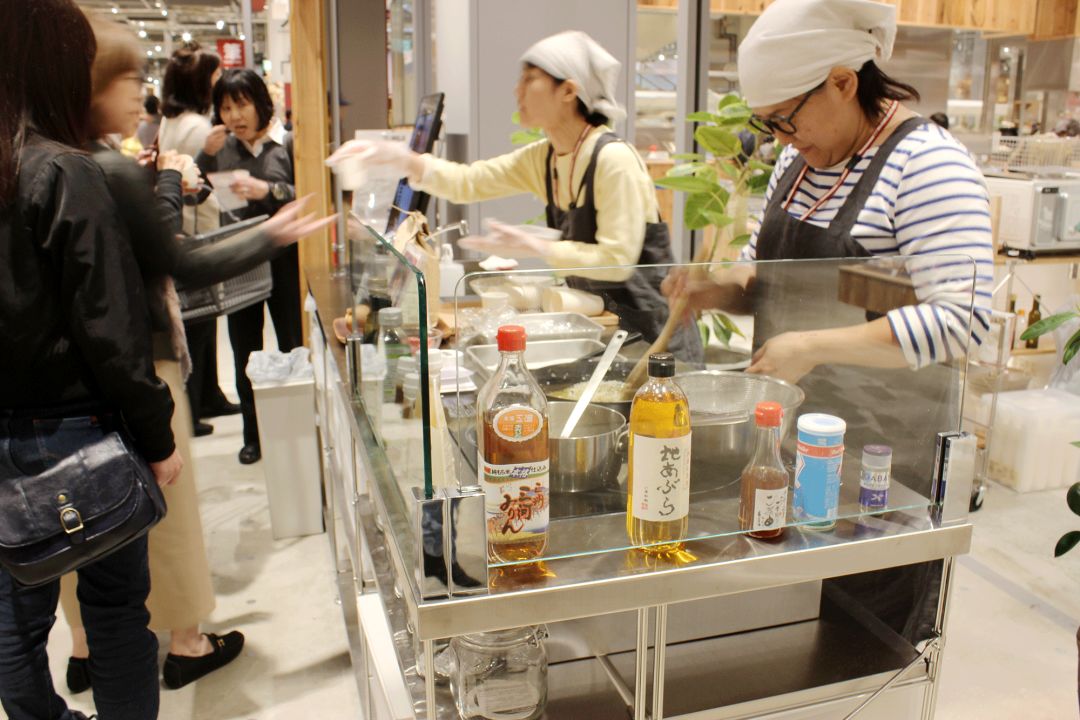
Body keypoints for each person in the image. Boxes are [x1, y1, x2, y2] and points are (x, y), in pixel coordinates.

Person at [56, 17, 336, 694]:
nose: (140, 93)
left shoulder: (46, 162)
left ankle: (84, 647)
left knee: (77, 520)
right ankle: (187, 641)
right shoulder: (111, 168)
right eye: (126, 79)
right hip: (140, 363)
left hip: (66, 383)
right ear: (90, 87)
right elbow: (176, 260)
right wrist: (269, 234)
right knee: (168, 514)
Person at [0, 1, 182, 717]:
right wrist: (158, 436)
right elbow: (112, 331)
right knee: (115, 613)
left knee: (16, 621)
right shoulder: (64, 172)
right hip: (82, 431)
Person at [328, 30, 702, 363]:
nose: (516, 90)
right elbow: (468, 181)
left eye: (530, 78)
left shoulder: (613, 160)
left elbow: (617, 262)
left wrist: (537, 245)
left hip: (659, 345)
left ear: (568, 91)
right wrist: (401, 158)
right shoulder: (546, 157)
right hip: (608, 338)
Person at [197, 69, 303, 464]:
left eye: (241, 105)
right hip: (241, 261)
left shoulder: (286, 143)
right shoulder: (221, 147)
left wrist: (268, 190)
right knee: (245, 352)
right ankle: (253, 436)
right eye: (226, 108)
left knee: (293, 346)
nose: (235, 116)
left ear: (260, 102)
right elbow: (195, 191)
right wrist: (203, 156)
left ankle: (297, 429)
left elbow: (307, 193)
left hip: (286, 261)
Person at [159, 43, 239, 438]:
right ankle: (198, 403)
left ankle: (209, 396)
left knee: (202, 320)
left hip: (186, 227)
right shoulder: (198, 127)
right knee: (202, 320)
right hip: (199, 228)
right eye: (214, 75)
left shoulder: (170, 121)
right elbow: (206, 181)